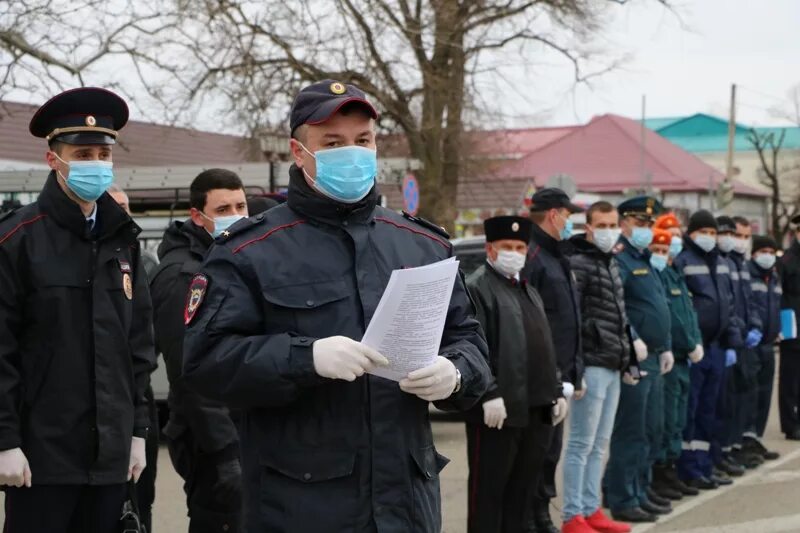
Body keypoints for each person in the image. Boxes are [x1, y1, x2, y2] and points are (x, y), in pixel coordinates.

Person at [182, 80, 493, 532]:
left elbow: (470, 339)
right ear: (298, 150)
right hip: (300, 506)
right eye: (333, 142)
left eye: (363, 141)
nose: (352, 152)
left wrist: (457, 372)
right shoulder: (249, 252)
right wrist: (303, 357)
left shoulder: (423, 244)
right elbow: (206, 362)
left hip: (406, 504)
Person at [0, 88, 156, 532]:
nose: (96, 163)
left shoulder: (123, 238)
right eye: (83, 153)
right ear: (54, 160)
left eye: (103, 153)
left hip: (110, 460)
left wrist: (138, 430)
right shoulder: (18, 240)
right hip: (39, 460)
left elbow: (137, 345)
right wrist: (4, 440)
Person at [149, 169, 248, 532]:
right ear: (197, 216)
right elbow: (190, 372)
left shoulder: (227, 257)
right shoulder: (182, 277)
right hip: (210, 443)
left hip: (238, 432)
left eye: (241, 205)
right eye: (224, 208)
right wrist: (226, 455)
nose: (236, 214)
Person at [464, 215, 563, 533]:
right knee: (489, 496)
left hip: (535, 409)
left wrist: (556, 389)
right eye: (507, 246)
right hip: (498, 412)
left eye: (520, 247)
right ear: (490, 249)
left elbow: (544, 343)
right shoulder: (477, 288)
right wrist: (489, 392)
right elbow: (471, 347)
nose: (514, 252)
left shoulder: (527, 289)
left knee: (521, 494)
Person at [562, 201, 634, 533]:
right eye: (602, 225)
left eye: (613, 225)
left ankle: (591, 509)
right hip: (591, 363)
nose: (608, 231)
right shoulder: (580, 263)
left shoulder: (610, 262)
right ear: (588, 227)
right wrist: (574, 369)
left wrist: (629, 355)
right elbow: (571, 319)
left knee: (599, 442)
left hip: (612, 362)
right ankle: (572, 514)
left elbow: (618, 315)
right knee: (580, 443)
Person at [602, 196, 674, 523]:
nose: (646, 229)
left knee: (651, 428)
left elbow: (659, 306)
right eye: (641, 223)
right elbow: (617, 307)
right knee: (631, 429)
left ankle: (641, 488)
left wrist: (667, 344)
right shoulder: (620, 258)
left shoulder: (643, 257)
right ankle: (622, 495)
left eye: (649, 224)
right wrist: (633, 339)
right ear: (625, 223)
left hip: (655, 354)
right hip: (635, 356)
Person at [523, 187, 584, 533]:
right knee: (538, 451)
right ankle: (532, 516)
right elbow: (532, 321)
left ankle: (542, 511)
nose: (570, 221)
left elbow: (569, 319)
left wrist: (577, 369)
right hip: (541, 376)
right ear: (553, 215)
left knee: (551, 450)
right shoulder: (533, 258)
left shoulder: (558, 256)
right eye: (568, 215)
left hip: (561, 374)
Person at [675, 210, 740, 490]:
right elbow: (682, 307)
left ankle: (703, 465)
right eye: (705, 232)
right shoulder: (683, 261)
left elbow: (729, 303)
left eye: (713, 233)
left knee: (708, 411)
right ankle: (688, 468)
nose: (710, 238)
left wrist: (732, 339)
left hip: (716, 346)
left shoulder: (722, 263)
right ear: (691, 234)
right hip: (695, 349)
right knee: (690, 411)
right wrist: (689, 344)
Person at [108, 183, 160, 533]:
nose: (123, 213)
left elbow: (143, 341)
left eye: (126, 206)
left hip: (135, 404)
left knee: (139, 507)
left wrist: (139, 429)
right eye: (115, 206)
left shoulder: (141, 258)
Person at [649, 214, 703, 501]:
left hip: (683, 357)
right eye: (664, 239)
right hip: (670, 356)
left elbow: (688, 314)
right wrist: (686, 341)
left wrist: (697, 342)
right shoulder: (656, 273)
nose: (669, 246)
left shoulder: (675, 273)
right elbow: (671, 320)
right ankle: (660, 473)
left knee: (678, 417)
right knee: (666, 418)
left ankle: (670, 470)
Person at [712, 216, 761, 477]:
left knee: (740, 399)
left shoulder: (739, 263)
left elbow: (748, 300)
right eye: (733, 234)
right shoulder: (724, 263)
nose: (738, 240)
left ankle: (733, 447)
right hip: (727, 341)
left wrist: (753, 325)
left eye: (743, 235)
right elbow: (727, 305)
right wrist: (733, 337)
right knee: (724, 403)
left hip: (742, 339)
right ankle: (722, 451)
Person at [741, 235, 783, 457]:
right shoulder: (748, 274)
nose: (767, 255)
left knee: (765, 395)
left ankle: (756, 437)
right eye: (763, 251)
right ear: (754, 253)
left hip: (768, 343)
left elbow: (778, 306)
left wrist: (781, 329)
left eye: (771, 251)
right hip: (751, 344)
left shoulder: (773, 277)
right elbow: (748, 306)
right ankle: (745, 438)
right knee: (750, 392)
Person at [778, 215, 800, 440]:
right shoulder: (787, 261)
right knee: (791, 380)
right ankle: (790, 423)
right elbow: (780, 296)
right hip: (793, 329)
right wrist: (785, 330)